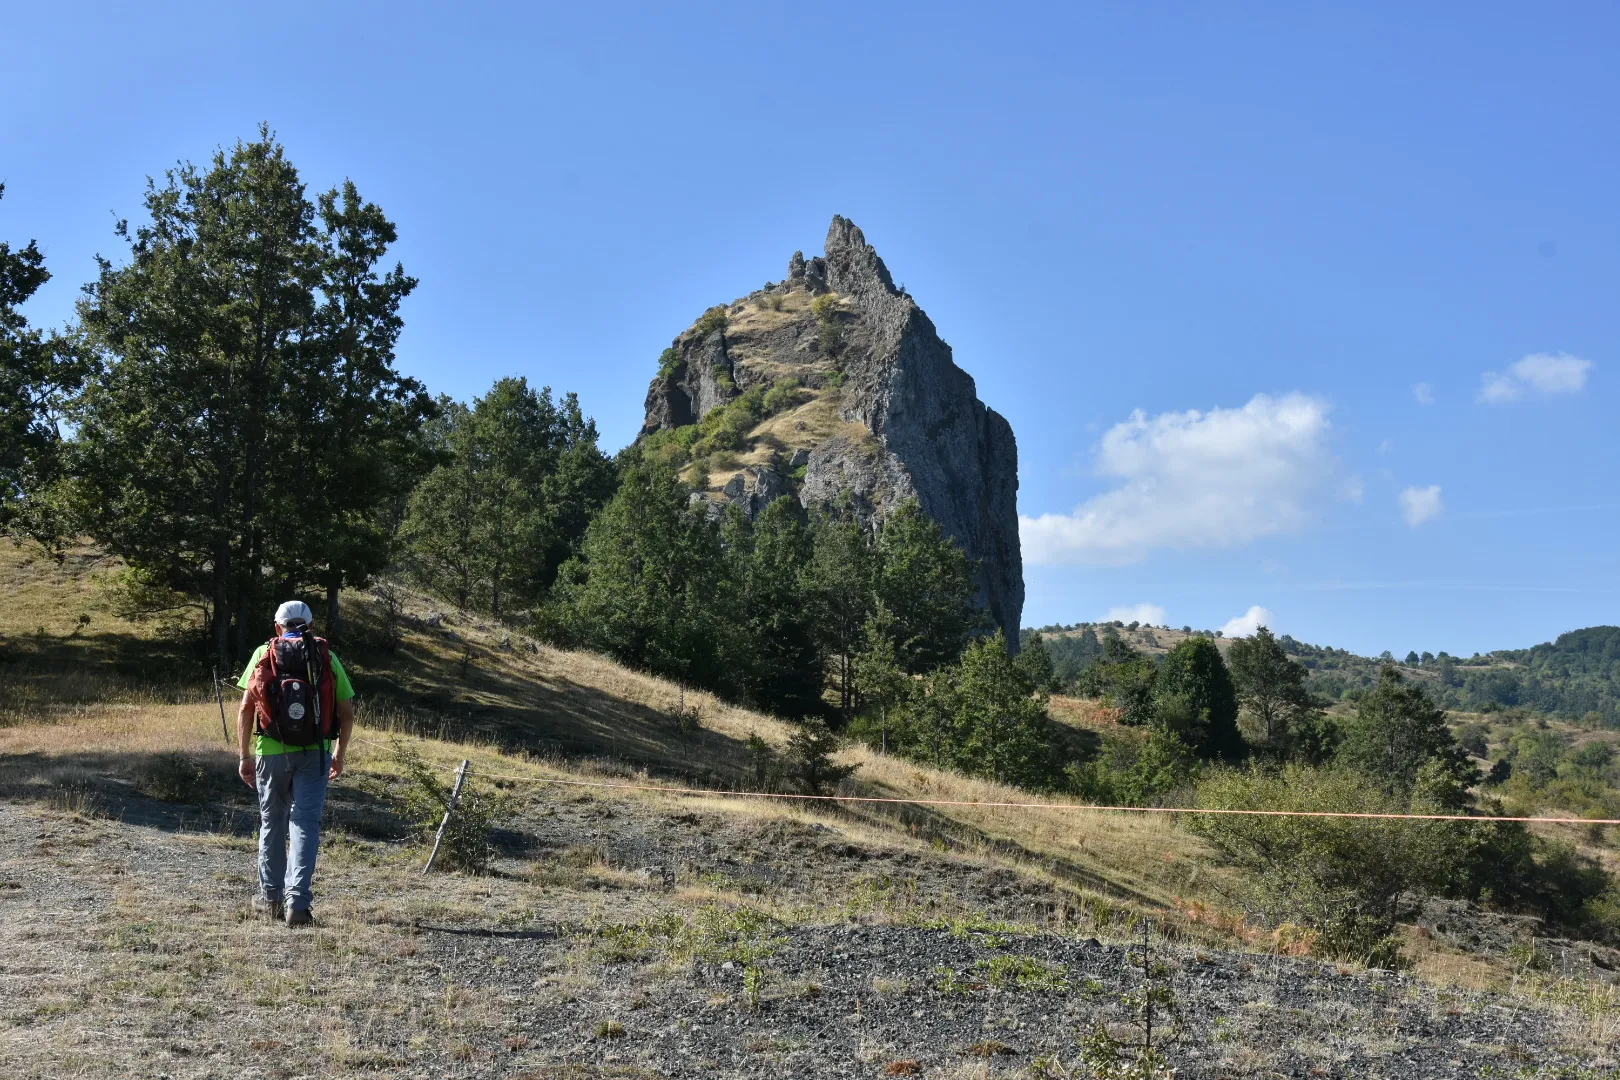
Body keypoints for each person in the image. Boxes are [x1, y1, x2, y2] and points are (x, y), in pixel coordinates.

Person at [235, 600, 356, 926]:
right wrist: (339, 755)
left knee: (272, 823)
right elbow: (347, 714)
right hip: (315, 752)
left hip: (271, 753)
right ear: (311, 626)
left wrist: (245, 755)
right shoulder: (327, 657)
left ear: (278, 628)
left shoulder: (264, 654)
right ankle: (298, 905)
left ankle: (271, 900)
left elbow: (246, 709)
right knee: (304, 825)